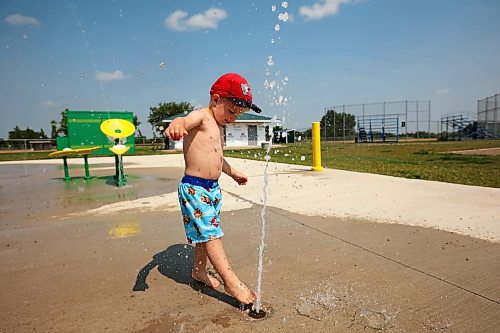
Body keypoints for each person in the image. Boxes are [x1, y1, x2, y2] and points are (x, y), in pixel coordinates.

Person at [165, 73, 262, 305]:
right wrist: (176, 125)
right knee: (211, 234)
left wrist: (232, 172)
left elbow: (217, 158)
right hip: (195, 189)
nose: (232, 119)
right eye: (231, 112)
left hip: (212, 189)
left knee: (203, 235)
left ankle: (199, 271)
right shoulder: (201, 117)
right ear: (216, 99)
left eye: (237, 116)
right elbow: (183, 121)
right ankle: (231, 281)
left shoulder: (218, 126)